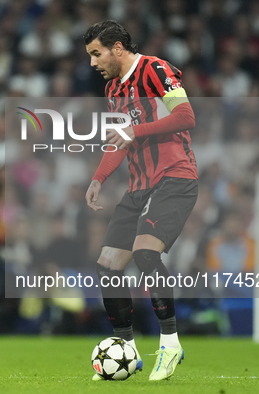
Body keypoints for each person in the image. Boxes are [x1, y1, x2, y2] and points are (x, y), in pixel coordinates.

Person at [83, 21, 198, 381]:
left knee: (146, 254)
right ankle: (126, 349)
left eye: (96, 54)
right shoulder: (112, 89)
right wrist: (98, 178)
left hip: (175, 177)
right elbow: (119, 140)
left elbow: (186, 116)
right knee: (108, 266)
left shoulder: (156, 69)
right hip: (139, 186)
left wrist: (136, 130)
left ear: (118, 48)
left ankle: (170, 344)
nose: (92, 63)